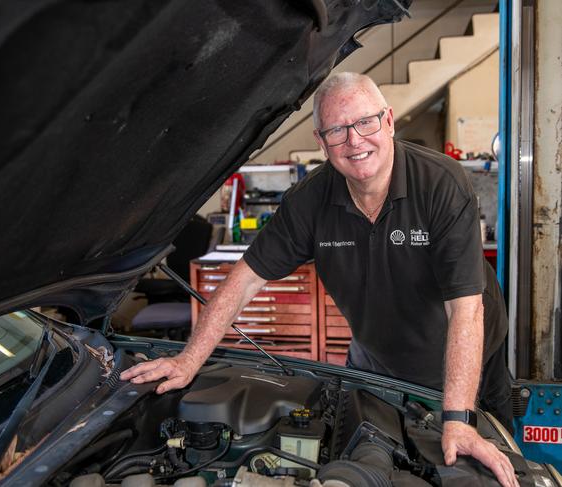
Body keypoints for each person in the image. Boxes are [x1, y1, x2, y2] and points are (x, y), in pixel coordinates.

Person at [121, 73, 517, 487]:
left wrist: (459, 419)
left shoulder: (441, 183)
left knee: (486, 462)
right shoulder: (309, 201)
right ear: (321, 142)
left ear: (389, 121)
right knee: (364, 458)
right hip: (376, 363)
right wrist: (189, 360)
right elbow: (243, 281)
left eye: (365, 122)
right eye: (337, 131)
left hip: (467, 359)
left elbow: (467, 310)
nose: (355, 141)